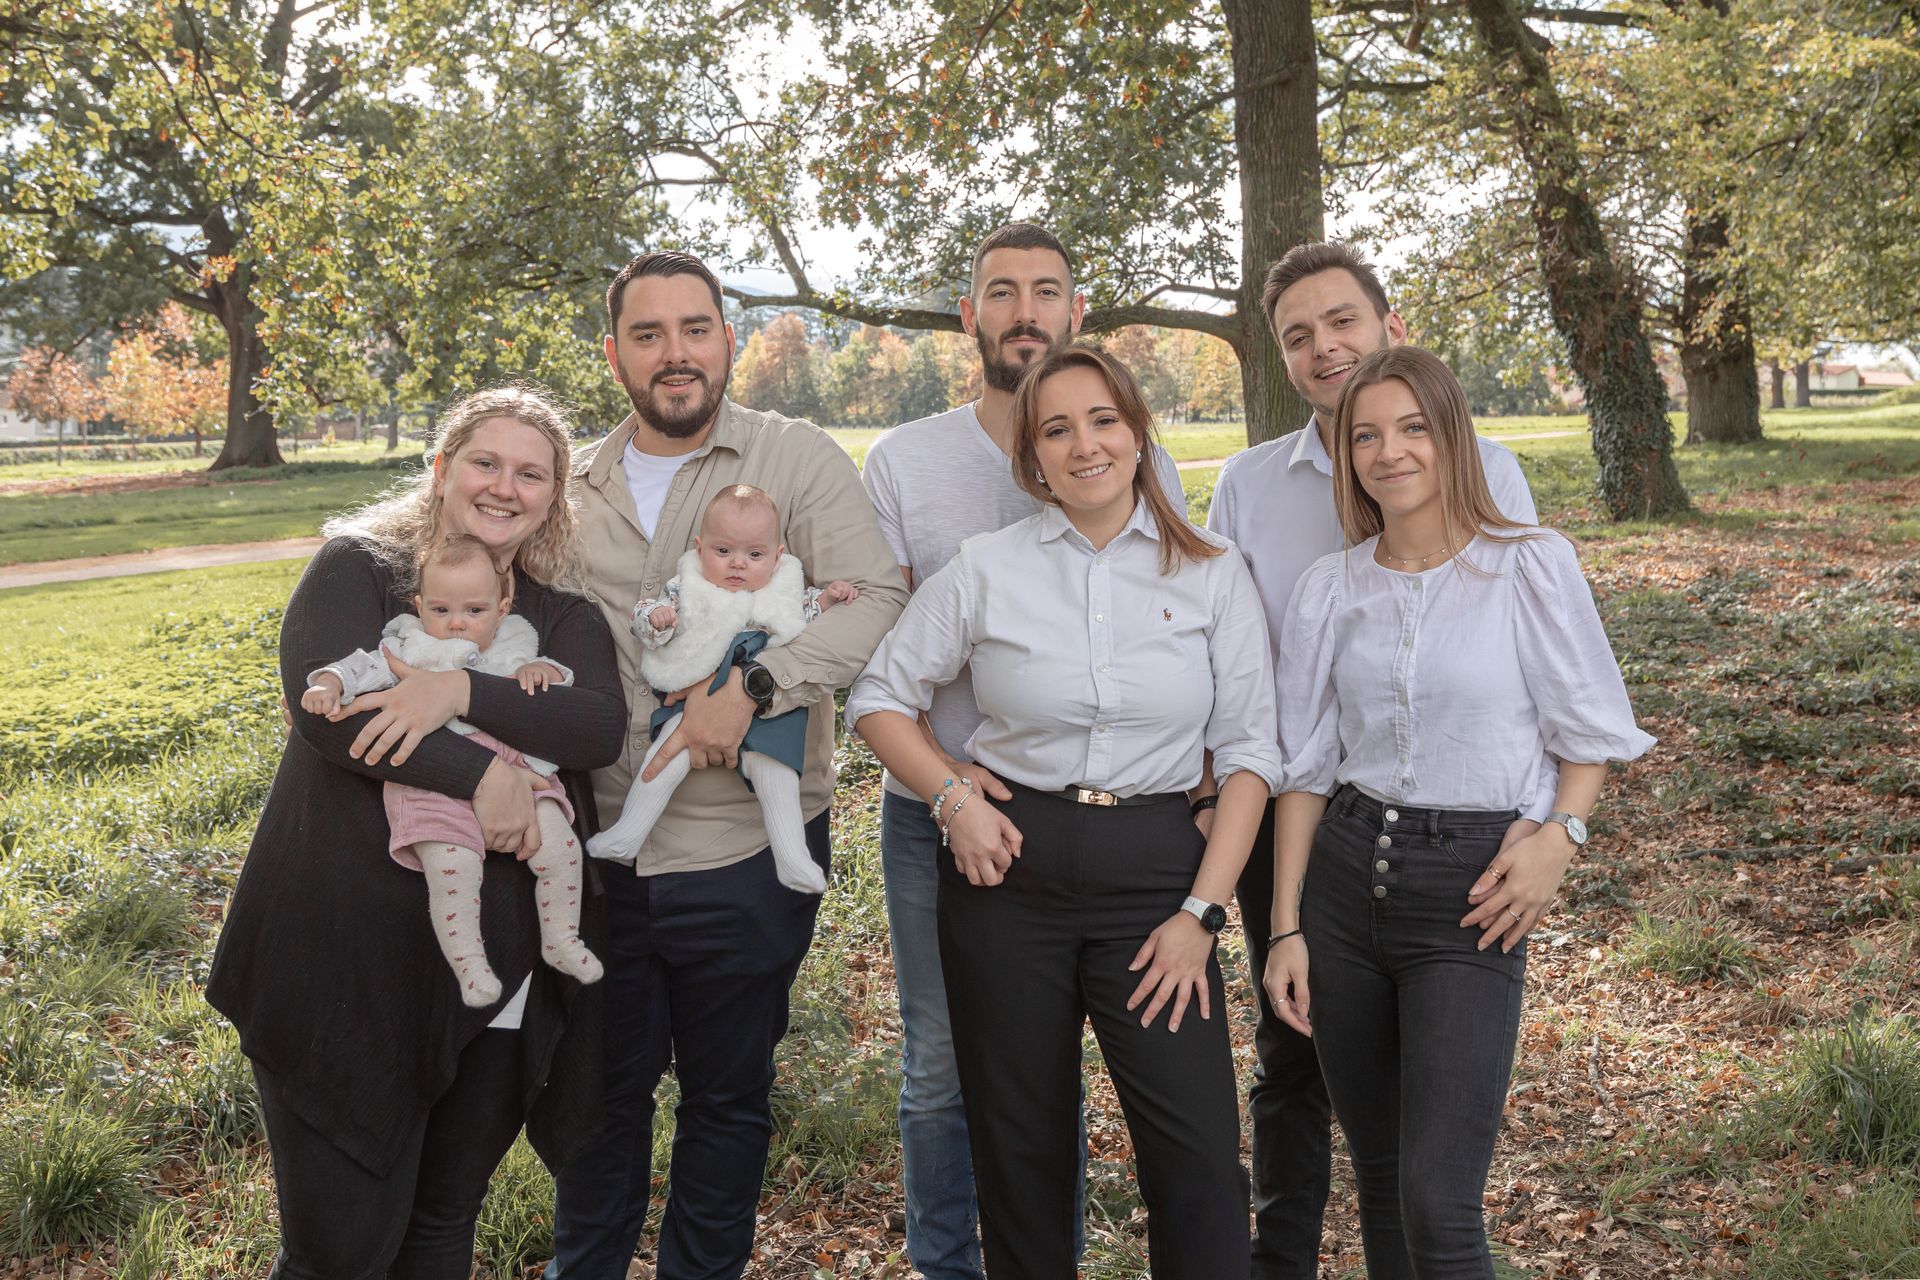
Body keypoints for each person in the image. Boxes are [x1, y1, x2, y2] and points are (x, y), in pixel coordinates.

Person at [849, 345, 1278, 1280]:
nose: (1085, 445)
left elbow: (1249, 757)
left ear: (1137, 433)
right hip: (1009, 873)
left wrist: (1201, 916)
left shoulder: (1211, 570)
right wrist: (953, 795)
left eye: (1103, 421)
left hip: (1160, 878)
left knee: (1198, 1158)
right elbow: (879, 695)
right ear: (1032, 460)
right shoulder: (986, 567)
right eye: (1057, 429)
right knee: (1022, 1151)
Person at [206, 385, 627, 1280]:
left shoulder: (562, 618)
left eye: (532, 473)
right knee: (338, 1251)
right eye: (484, 462)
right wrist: (485, 775)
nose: (504, 487)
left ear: (556, 496)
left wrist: (462, 693)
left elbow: (595, 728)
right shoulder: (361, 573)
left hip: (494, 980)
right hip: (341, 964)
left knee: (441, 1225)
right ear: (441, 472)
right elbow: (329, 717)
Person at [545, 250, 907, 1280]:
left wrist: (753, 688)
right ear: (614, 351)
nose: (675, 353)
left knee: (726, 1101)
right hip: (599, 856)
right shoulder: (573, 484)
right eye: (648, 333)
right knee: (599, 1104)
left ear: (728, 340)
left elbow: (875, 598)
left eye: (695, 328)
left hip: (745, 852)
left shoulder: (795, 459)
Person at [1264, 345, 1654, 1279]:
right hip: (1344, 885)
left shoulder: (1528, 566)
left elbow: (1586, 734)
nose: (1389, 452)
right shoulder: (1331, 588)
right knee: (1383, 1179)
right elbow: (1307, 770)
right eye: (1366, 435)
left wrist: (1561, 835)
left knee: (1441, 1204)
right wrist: (1284, 926)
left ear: (1452, 437)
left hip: (1473, 886)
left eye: (1412, 429)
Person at [1203, 240, 1546, 1279]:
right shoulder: (1250, 485)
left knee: (1424, 1133)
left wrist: (1546, 829)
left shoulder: (1481, 469)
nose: (1324, 346)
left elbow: (1525, 656)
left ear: (1389, 326)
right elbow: (1220, 647)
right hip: (1293, 804)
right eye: (1299, 334)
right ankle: (1283, 1258)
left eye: (1342, 320)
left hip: (1439, 824)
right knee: (1288, 1050)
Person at [860, 222, 1182, 1280]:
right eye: (1002, 292)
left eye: (1048, 290)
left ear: (1076, 314)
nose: (1026, 310)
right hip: (938, 810)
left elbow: (1171, 607)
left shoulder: (1132, 450)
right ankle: (948, 1264)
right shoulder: (908, 460)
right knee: (949, 1066)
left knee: (1051, 1066)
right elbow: (882, 648)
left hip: (1082, 813)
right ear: (971, 317)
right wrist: (949, 786)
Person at [302, 532, 603, 1006]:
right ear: (420, 606)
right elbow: (359, 668)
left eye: (474, 612)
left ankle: (561, 938)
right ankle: (469, 965)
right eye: (441, 610)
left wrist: (546, 673)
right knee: (452, 868)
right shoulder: (407, 644)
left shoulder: (517, 642)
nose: (457, 624)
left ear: (502, 609)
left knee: (562, 848)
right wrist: (328, 682)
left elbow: (563, 687)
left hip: (518, 771)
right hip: (432, 780)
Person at [586, 483, 859, 893]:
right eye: (723, 551)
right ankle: (628, 833)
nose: (737, 565)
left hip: (767, 703)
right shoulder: (687, 586)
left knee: (777, 769)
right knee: (664, 758)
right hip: (695, 693)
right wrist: (656, 618)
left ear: (777, 556)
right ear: (700, 548)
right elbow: (645, 617)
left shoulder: (781, 588)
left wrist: (829, 599)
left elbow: (803, 612)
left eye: (754, 555)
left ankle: (791, 855)